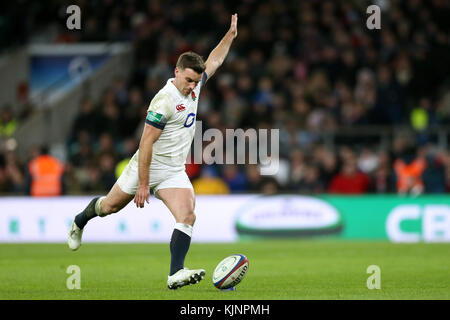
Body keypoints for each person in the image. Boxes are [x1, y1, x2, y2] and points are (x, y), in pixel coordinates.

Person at [68, 14, 238, 290]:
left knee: (188, 215)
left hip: (173, 170)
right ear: (177, 72)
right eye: (189, 80)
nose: (193, 87)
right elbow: (145, 143)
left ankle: (175, 273)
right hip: (146, 166)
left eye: (197, 81)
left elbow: (215, 59)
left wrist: (229, 36)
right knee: (109, 207)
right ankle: (79, 220)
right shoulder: (163, 101)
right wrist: (144, 184)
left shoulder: (193, 88)